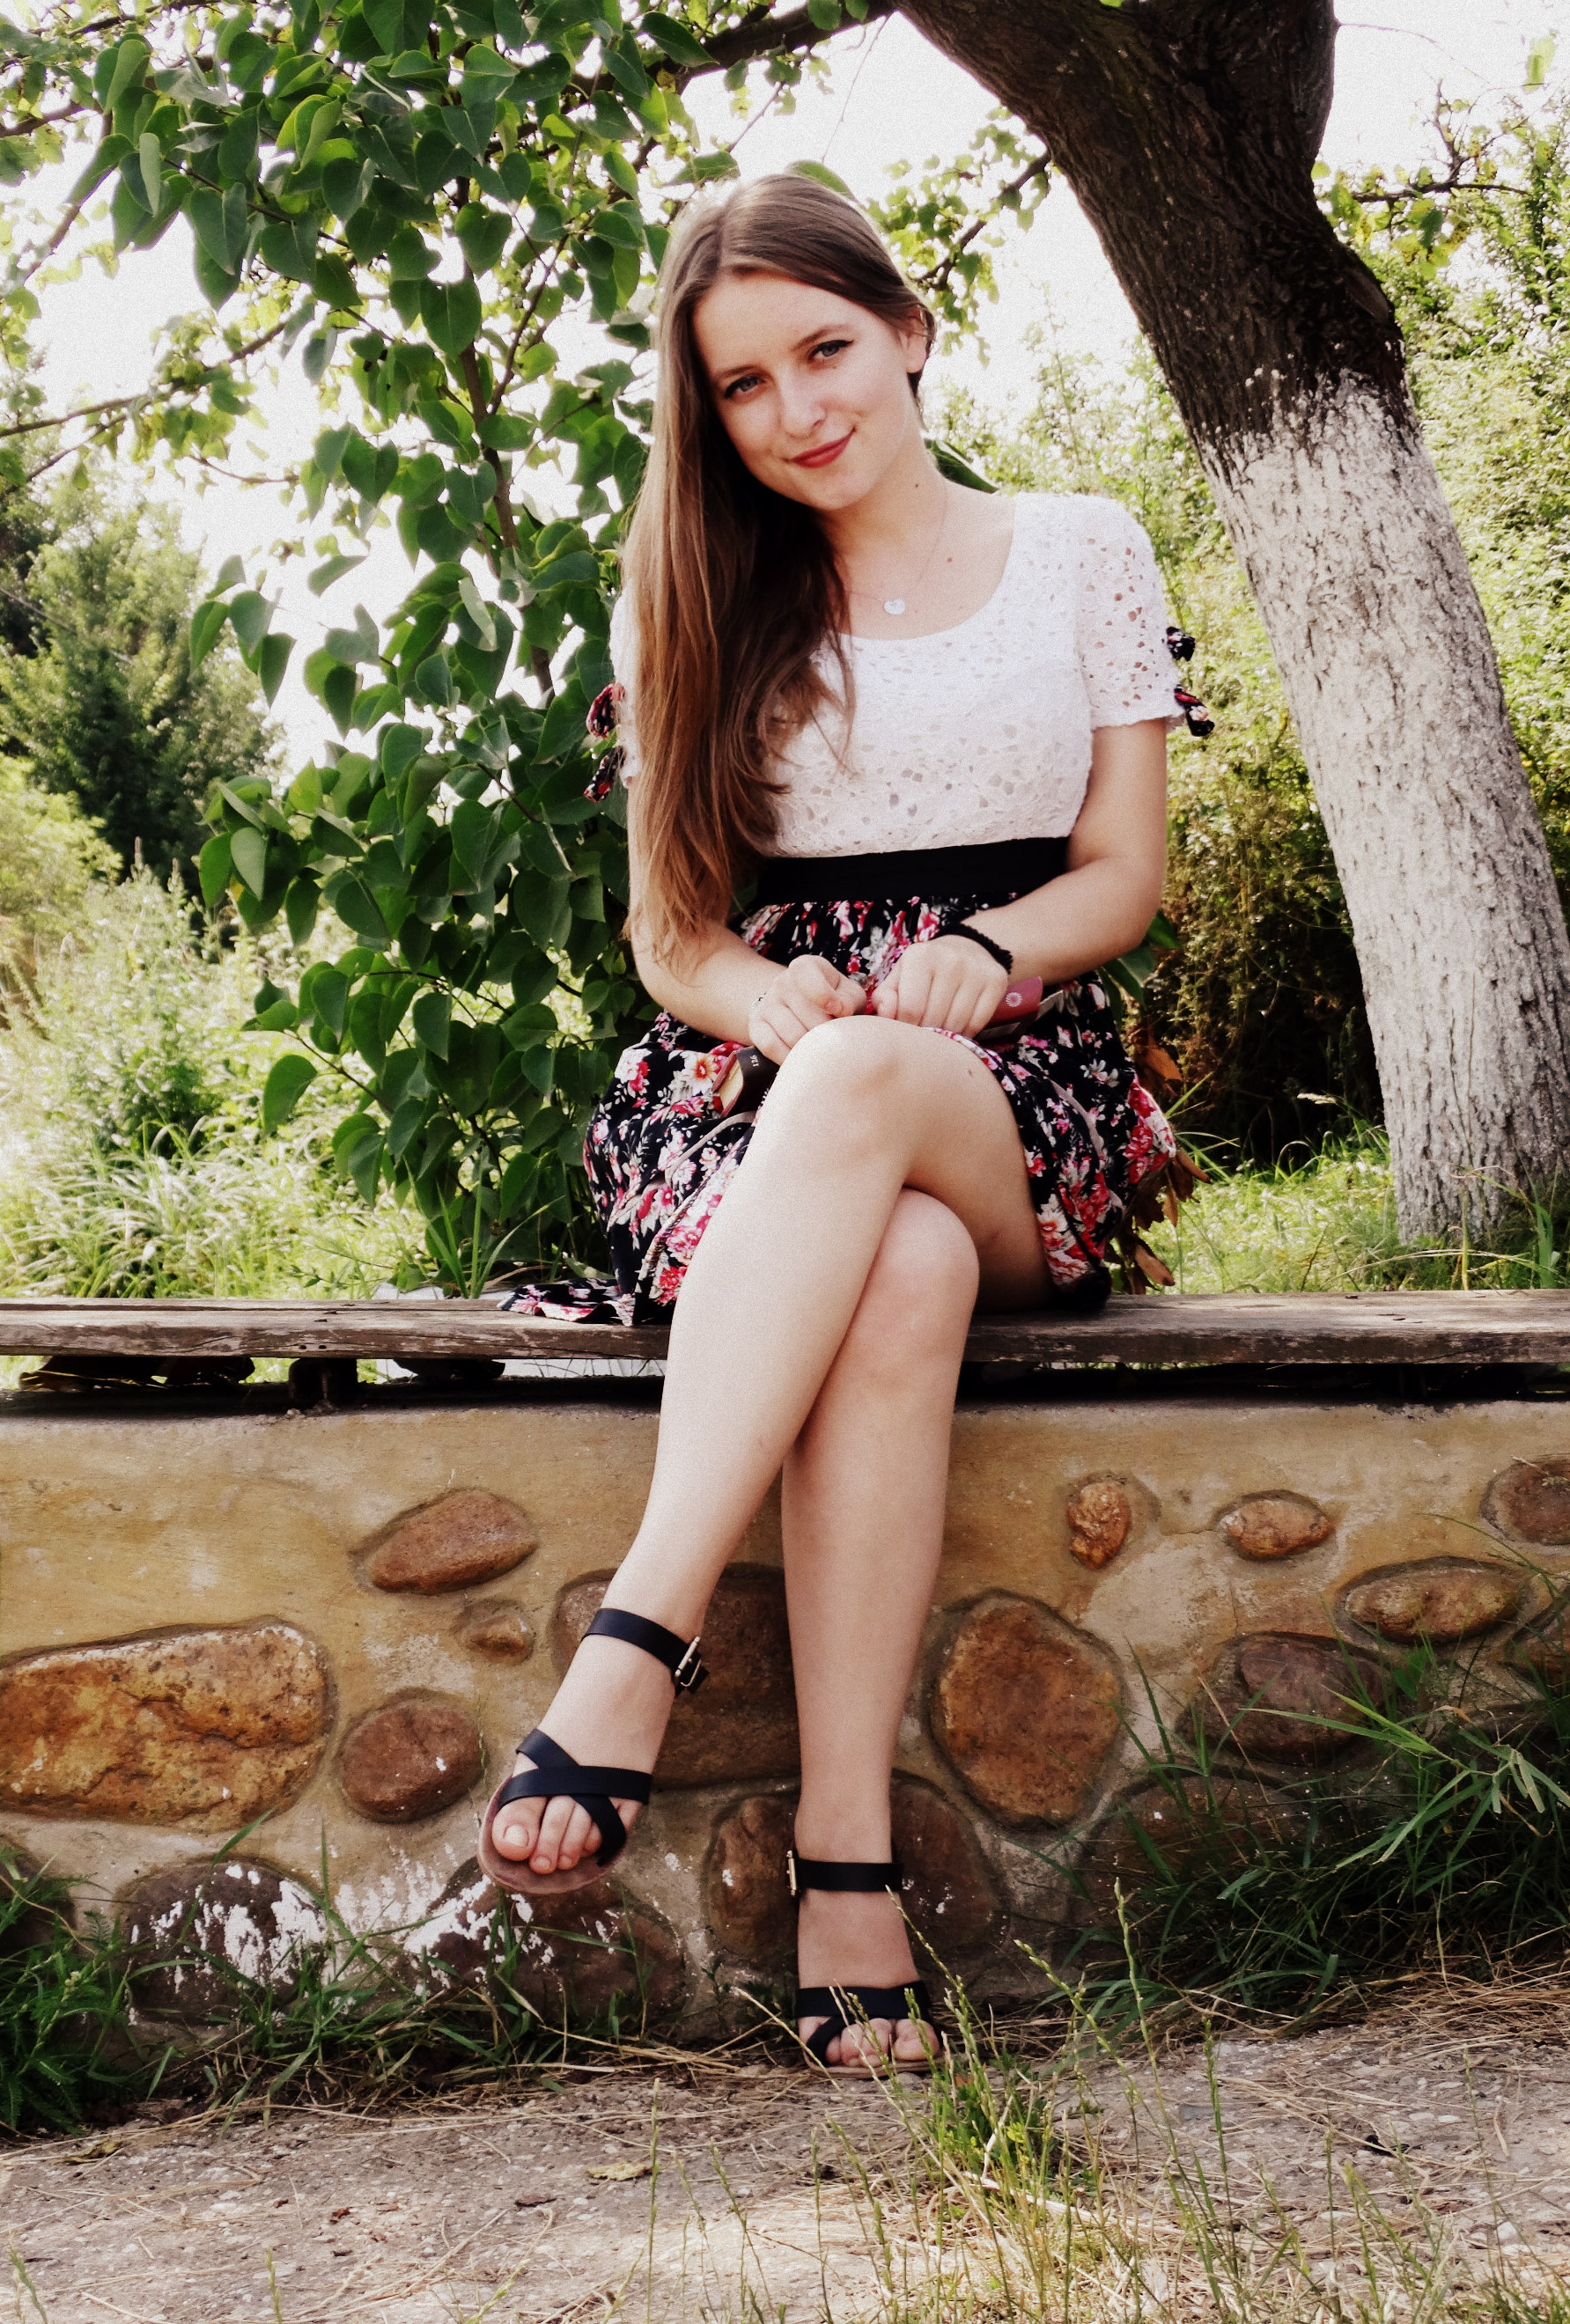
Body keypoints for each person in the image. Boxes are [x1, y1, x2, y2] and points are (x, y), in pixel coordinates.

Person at [481, 168, 1186, 2074]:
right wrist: (763, 998)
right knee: (898, 1268)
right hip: (761, 1092)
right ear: (705, 411)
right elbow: (672, 937)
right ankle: (848, 1862)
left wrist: (990, 949)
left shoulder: (1081, 549)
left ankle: (634, 1645)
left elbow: (1124, 874)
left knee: (881, 1096)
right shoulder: (693, 591)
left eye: (824, 350)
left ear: (909, 330)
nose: (795, 408)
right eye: (742, 384)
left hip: (1010, 1072)